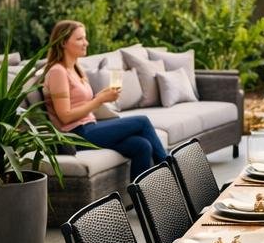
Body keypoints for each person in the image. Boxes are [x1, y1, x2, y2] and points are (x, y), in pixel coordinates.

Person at [41, 20, 169, 182]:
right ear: (64, 42)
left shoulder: (76, 69)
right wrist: (99, 100)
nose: (86, 43)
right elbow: (65, 116)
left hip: (90, 128)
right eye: (80, 39)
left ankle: (141, 200)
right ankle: (167, 169)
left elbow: (81, 105)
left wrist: (100, 98)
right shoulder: (58, 72)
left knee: (142, 146)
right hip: (76, 135)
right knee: (142, 122)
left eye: (85, 38)